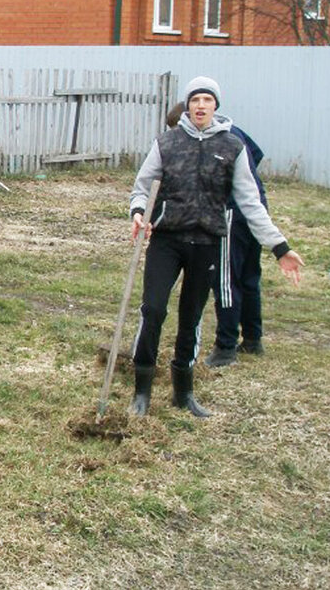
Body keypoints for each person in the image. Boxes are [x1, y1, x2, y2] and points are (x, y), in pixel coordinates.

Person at [128, 77, 303, 418]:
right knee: (152, 311)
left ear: (215, 106)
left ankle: (184, 392)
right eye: (196, 100)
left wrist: (280, 248)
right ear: (188, 105)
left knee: (191, 319)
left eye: (207, 100)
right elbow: (142, 187)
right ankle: (141, 392)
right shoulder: (167, 142)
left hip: (206, 243)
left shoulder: (232, 146)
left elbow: (251, 203)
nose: (201, 106)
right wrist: (138, 212)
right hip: (167, 241)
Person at [163, 103, 269, 368]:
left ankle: (225, 347)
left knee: (225, 279)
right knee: (248, 275)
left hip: (232, 211)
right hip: (257, 208)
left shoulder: (219, 138)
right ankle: (253, 339)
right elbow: (256, 154)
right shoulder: (234, 130)